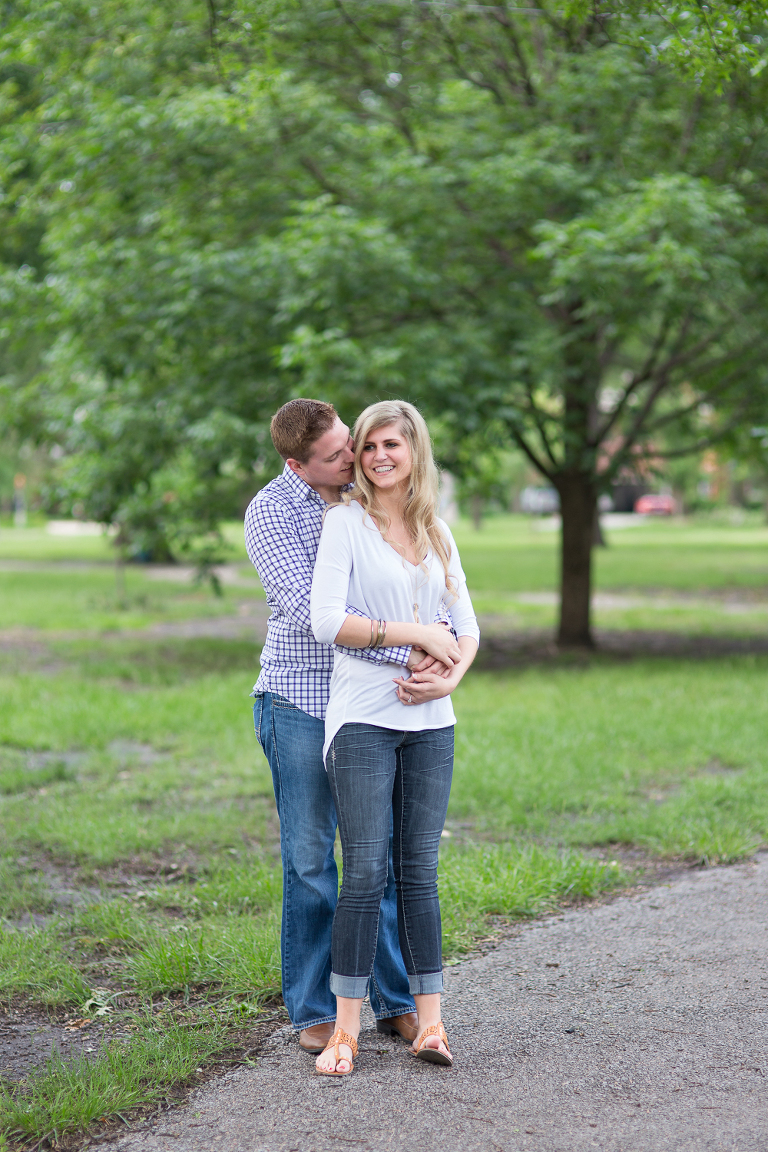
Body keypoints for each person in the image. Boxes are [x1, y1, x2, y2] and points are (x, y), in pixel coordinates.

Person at [244, 399, 454, 1054]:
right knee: (312, 863)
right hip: (302, 702)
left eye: (353, 446)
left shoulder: (366, 502)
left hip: (371, 703)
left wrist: (442, 653)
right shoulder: (273, 513)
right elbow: (317, 614)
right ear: (297, 464)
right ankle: (312, 1006)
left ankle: (394, 1000)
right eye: (338, 455)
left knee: (381, 856)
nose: (353, 460)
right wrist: (418, 649)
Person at [310, 400, 479, 1076]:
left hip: (431, 726)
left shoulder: (437, 529)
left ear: (415, 452)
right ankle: (345, 1032)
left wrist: (450, 677)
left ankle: (431, 1024)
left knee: (420, 876)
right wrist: (417, 637)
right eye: (369, 445)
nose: (379, 456)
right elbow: (328, 621)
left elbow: (466, 626)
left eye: (392, 445)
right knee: (365, 874)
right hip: (363, 721)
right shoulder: (345, 524)